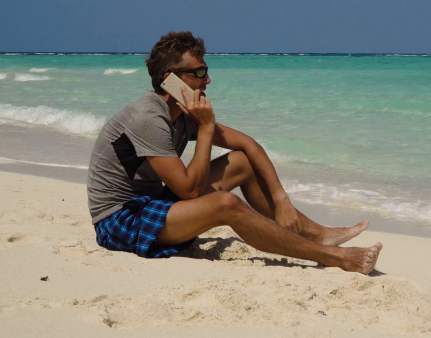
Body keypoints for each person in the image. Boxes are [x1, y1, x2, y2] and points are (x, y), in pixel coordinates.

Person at [87, 31, 381, 274]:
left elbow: (249, 145)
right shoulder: (148, 117)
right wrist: (205, 129)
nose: (207, 80)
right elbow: (189, 191)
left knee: (240, 162)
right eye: (199, 72)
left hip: (154, 204)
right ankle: (336, 257)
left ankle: (318, 235)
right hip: (120, 221)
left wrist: (282, 201)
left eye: (206, 71)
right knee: (227, 204)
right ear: (171, 79)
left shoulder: (183, 113)